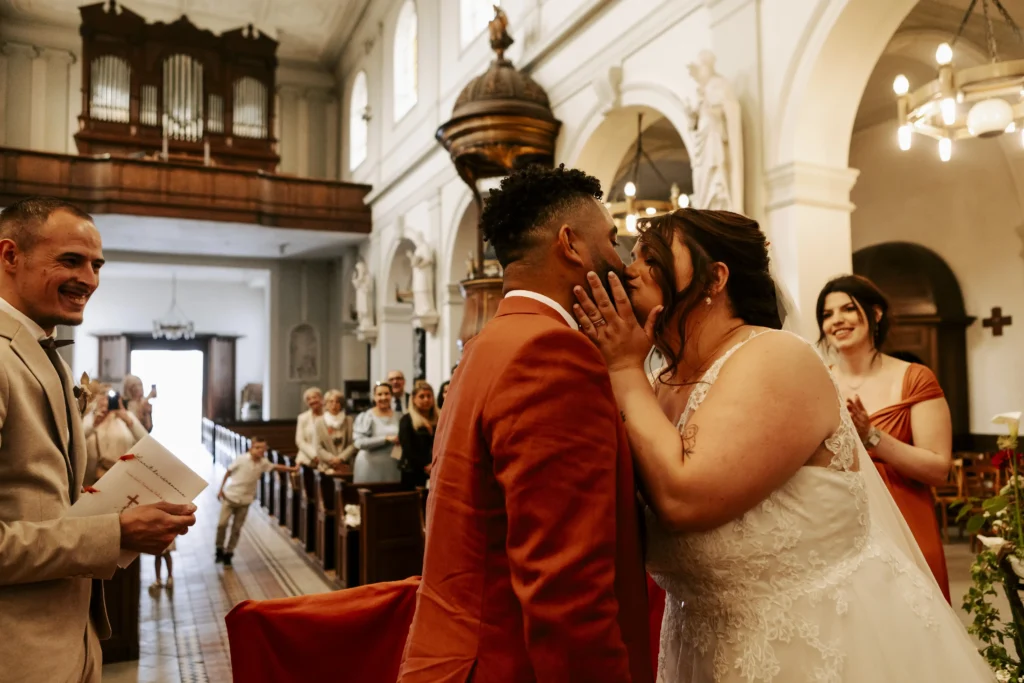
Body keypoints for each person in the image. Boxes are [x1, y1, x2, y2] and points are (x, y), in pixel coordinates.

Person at [572, 208, 991, 682]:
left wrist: (623, 370)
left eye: (653, 256)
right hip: (702, 644)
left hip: (819, 642)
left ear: (714, 278)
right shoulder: (662, 381)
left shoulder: (776, 357)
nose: (630, 268)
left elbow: (684, 498)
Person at [399, 165, 653, 683]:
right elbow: (565, 581)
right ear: (571, 244)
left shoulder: (485, 345)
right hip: (508, 660)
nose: (622, 261)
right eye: (611, 239)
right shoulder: (552, 351)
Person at [0, 196, 197, 683]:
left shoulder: (44, 352)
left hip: (71, 637)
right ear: (9, 256)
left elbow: (38, 496)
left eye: (96, 264)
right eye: (69, 260)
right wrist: (115, 533)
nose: (89, 279)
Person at [817, 274, 953, 602]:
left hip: (905, 520)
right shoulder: (818, 381)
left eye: (848, 309)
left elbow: (938, 469)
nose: (837, 320)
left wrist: (872, 437)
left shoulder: (914, 378)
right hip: (837, 525)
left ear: (875, 314)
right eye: (827, 314)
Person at [216, 437, 297, 567]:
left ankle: (229, 553)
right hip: (230, 496)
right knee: (222, 524)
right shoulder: (241, 459)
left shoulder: (263, 463)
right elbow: (228, 472)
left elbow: (276, 467)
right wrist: (220, 490)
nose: (261, 451)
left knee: (236, 528)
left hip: (246, 500)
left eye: (263, 449)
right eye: (258, 448)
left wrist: (293, 469)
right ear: (251, 448)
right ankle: (219, 548)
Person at [83, 390, 149, 481]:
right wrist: (94, 424)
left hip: (123, 478)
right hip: (93, 480)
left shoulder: (127, 417)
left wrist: (129, 422)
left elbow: (146, 441)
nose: (107, 401)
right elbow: (76, 441)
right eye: (103, 397)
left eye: (110, 398)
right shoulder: (91, 418)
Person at [352, 383, 402, 484]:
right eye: (379, 394)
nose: (383, 397)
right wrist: (386, 439)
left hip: (392, 466)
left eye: (386, 394)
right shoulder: (365, 416)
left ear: (391, 396)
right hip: (368, 466)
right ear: (374, 397)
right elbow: (359, 443)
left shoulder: (399, 416)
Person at [397, 382, 438, 490]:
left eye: (429, 396)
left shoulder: (440, 419)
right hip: (413, 471)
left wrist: (435, 464)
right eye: (422, 396)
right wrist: (426, 466)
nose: (426, 400)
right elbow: (407, 448)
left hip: (437, 469)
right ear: (414, 399)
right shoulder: (407, 420)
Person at [319, 389, 356, 471]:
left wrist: (341, 458)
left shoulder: (349, 420)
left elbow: (353, 444)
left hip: (345, 465)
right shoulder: (319, 422)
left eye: (337, 402)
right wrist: (332, 459)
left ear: (341, 404)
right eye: (331, 402)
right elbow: (318, 447)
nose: (334, 405)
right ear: (326, 404)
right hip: (326, 466)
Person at [295, 387, 332, 468]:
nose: (312, 401)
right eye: (308, 399)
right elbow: (300, 441)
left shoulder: (330, 416)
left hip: (327, 461)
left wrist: (324, 457)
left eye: (315, 397)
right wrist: (314, 456)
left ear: (321, 399)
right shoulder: (302, 418)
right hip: (306, 460)